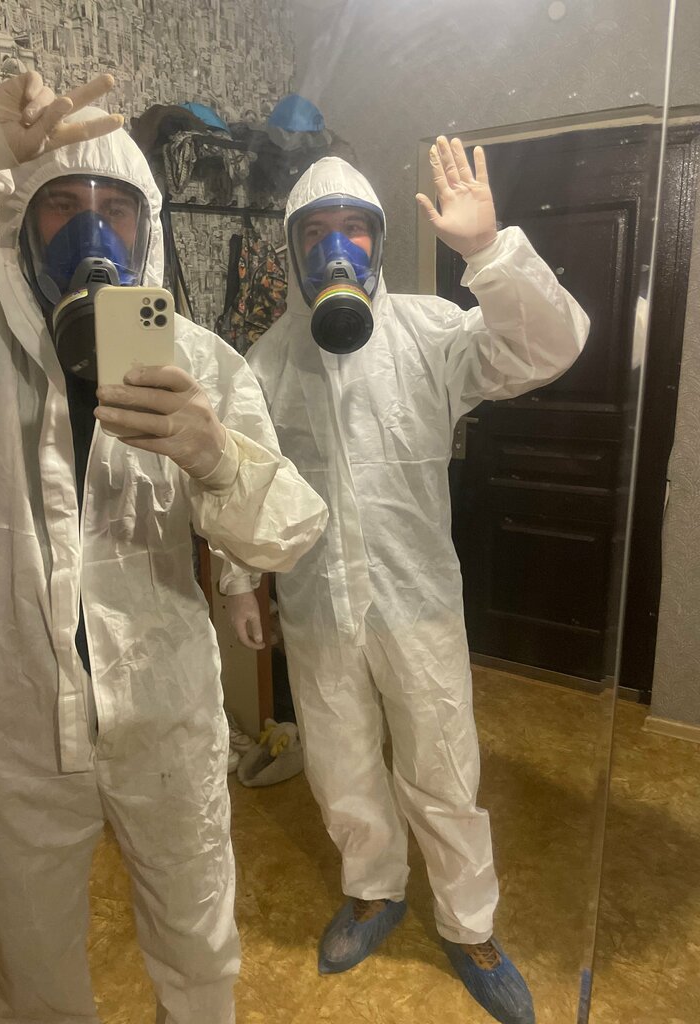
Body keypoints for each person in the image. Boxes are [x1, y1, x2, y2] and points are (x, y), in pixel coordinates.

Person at [0, 71, 327, 1024]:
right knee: (34, 965)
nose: (92, 234)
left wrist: (217, 457)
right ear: (19, 227)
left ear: (146, 228)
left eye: (115, 209)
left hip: (166, 717)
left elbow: (288, 530)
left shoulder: (198, 361)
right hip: (20, 726)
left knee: (198, 946)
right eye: (61, 208)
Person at [223, 143, 590, 1024]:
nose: (336, 246)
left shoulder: (431, 331)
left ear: (379, 240)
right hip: (317, 605)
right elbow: (243, 477)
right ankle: (373, 890)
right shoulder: (267, 360)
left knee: (442, 764)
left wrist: (488, 251)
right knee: (341, 761)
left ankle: (470, 925)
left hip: (416, 600)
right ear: (292, 246)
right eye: (317, 230)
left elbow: (550, 347)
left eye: (354, 228)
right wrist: (241, 580)